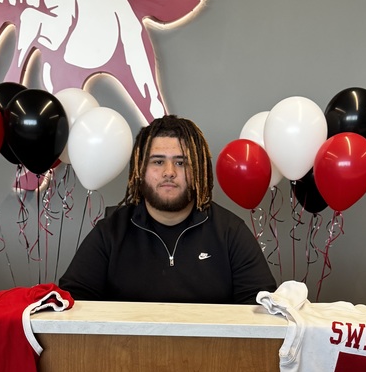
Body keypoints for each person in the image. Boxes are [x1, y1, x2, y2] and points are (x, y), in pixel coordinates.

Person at [60, 115, 277, 303]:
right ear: (141, 169)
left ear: (198, 170)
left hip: (211, 352)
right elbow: (72, 302)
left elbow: (261, 308)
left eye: (181, 163)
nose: (169, 172)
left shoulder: (231, 232)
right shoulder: (110, 232)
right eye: (158, 162)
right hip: (127, 351)